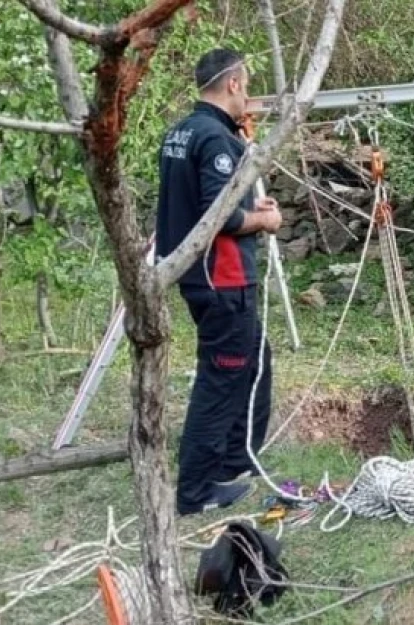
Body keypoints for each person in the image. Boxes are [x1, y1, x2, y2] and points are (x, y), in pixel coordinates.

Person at [155, 48, 283, 516]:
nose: (247, 91)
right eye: (245, 82)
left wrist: (252, 212)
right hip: (222, 277)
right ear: (232, 83)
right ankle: (197, 491)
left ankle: (235, 461)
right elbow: (220, 216)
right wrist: (263, 222)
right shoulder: (213, 139)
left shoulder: (182, 131)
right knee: (221, 378)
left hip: (200, 276)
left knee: (255, 363)